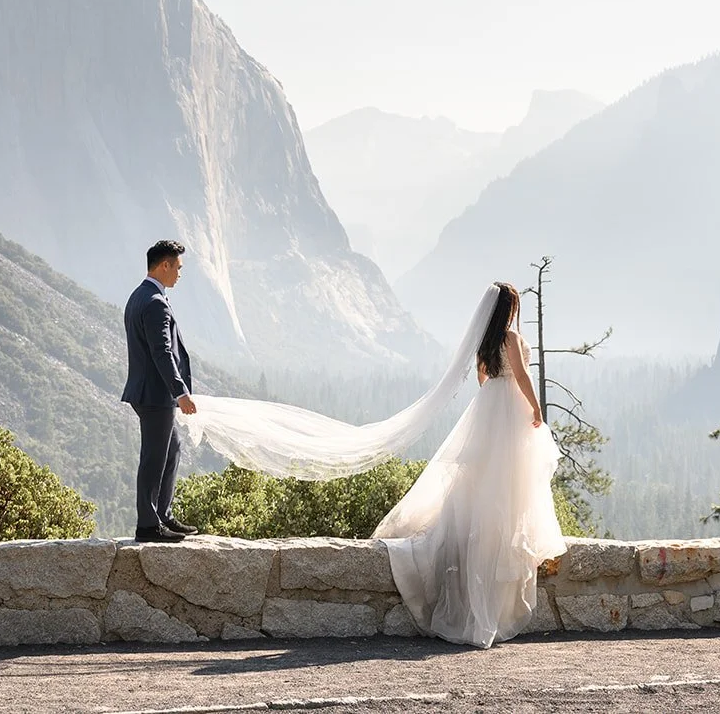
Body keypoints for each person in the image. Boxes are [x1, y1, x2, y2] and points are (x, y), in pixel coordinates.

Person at [184, 281, 566, 648]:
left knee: (482, 486)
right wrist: (533, 408)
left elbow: (484, 379)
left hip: (487, 409)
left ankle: (470, 587)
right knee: (508, 486)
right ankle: (496, 593)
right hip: (509, 408)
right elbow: (520, 375)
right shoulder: (511, 340)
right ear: (510, 309)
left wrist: (494, 403)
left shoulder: (486, 342)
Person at [121, 239, 201, 544]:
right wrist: (180, 392)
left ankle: (163, 516)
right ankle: (148, 526)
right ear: (164, 265)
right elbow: (162, 352)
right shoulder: (154, 302)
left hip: (148, 392)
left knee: (172, 450)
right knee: (154, 457)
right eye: (178, 267)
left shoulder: (139, 296)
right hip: (156, 395)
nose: (180, 274)